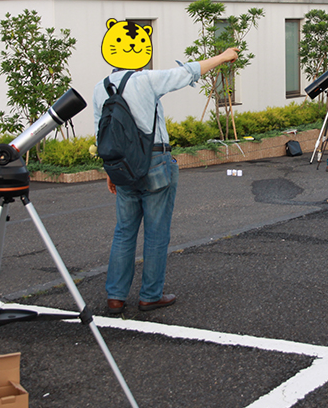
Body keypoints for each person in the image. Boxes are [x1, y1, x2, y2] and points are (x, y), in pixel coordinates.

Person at [94, 46, 240, 314]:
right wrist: (222, 57)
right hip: (155, 162)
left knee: (124, 232)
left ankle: (115, 297)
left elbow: (101, 133)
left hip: (122, 167)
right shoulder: (146, 80)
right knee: (156, 233)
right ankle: (150, 295)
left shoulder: (100, 88)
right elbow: (186, 73)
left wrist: (109, 171)